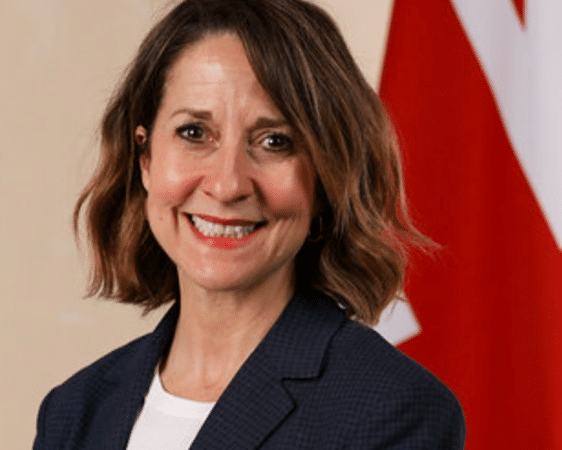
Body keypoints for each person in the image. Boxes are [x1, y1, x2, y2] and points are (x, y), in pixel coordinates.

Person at [33, 0, 465, 448]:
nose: (227, 185)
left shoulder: (393, 411)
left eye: (275, 142)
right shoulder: (75, 411)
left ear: (326, 177)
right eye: (194, 133)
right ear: (145, 157)